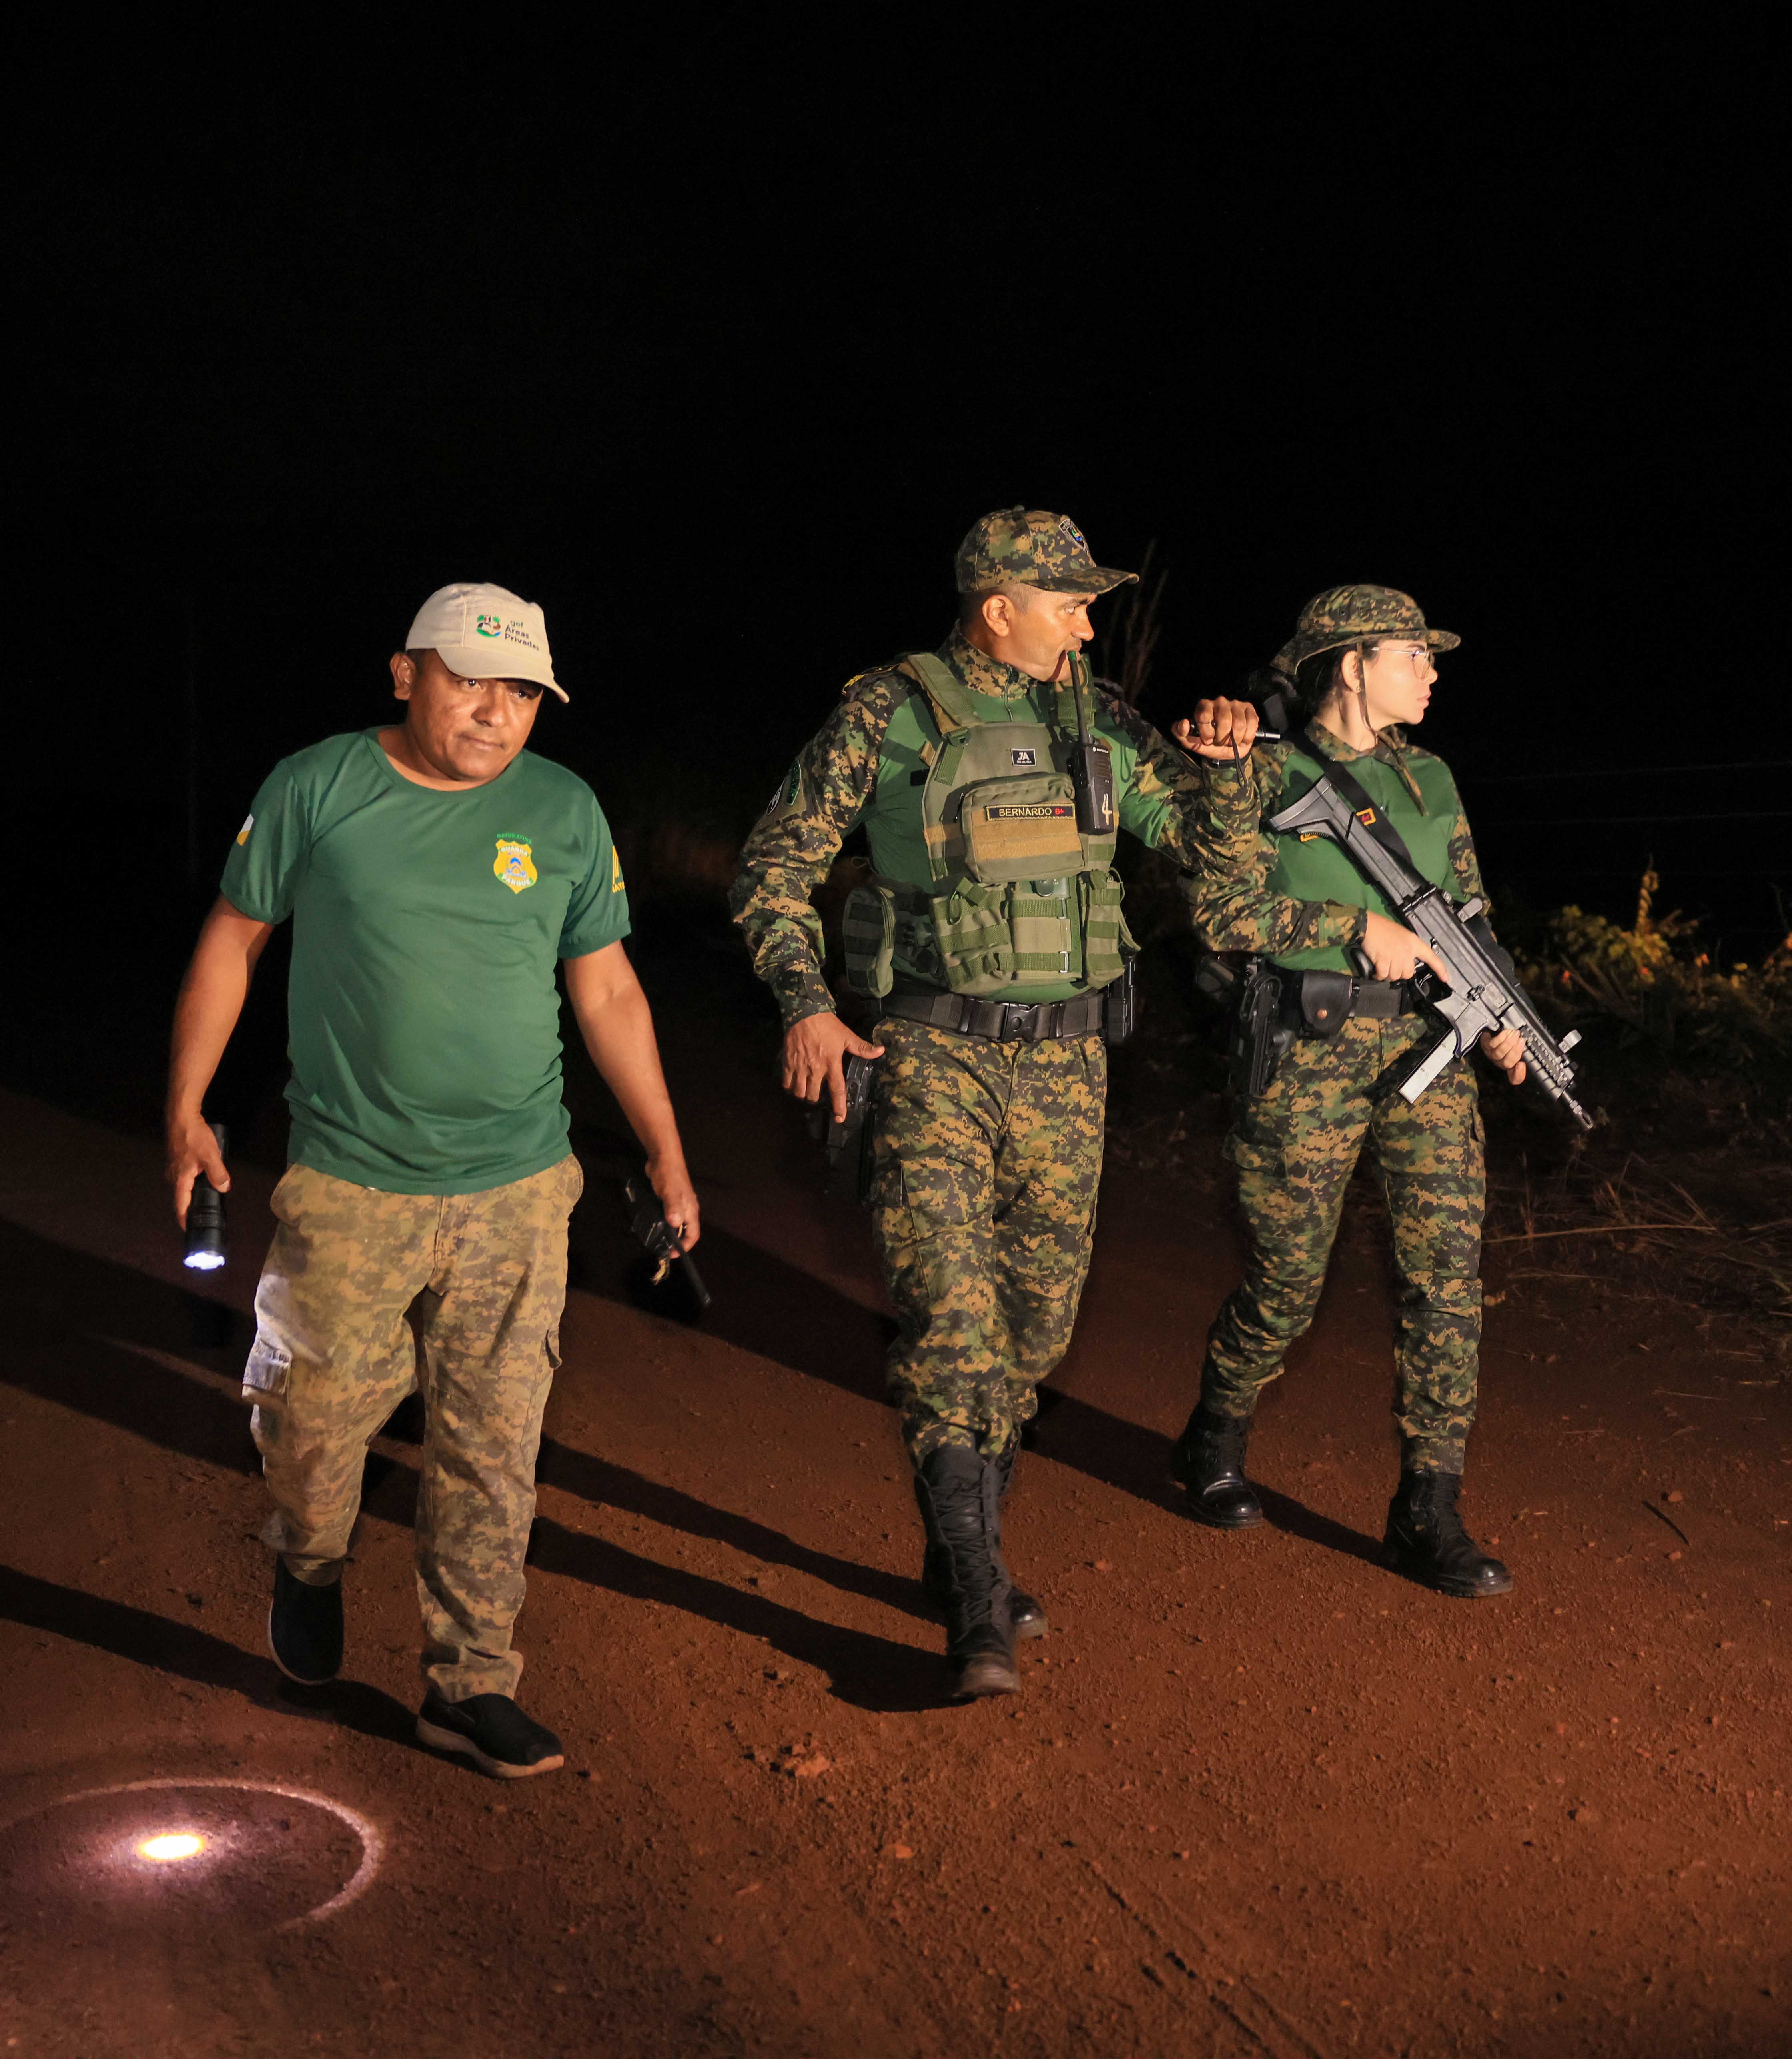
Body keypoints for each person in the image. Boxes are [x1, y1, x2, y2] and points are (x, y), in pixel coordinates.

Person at [165, 582, 699, 1779]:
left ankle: (469, 1684)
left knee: (492, 1449)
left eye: (523, 693)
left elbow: (607, 988)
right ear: (407, 674)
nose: (496, 713)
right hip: (352, 1185)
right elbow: (233, 941)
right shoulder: (317, 787)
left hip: (518, 1189)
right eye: (471, 682)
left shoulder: (564, 809)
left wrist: (665, 1148)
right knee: (312, 1426)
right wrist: (187, 1107)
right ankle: (309, 1557)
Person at [730, 508, 1258, 1700]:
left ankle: (953, 1536)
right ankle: (976, 1591)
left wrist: (1226, 774)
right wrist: (806, 1004)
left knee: (1032, 1334)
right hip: (931, 1054)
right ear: (996, 606)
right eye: (1070, 603)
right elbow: (772, 869)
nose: (1088, 624)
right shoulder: (889, 711)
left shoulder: (1099, 719)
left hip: (1071, 1070)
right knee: (954, 1324)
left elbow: (1210, 859)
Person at [1169, 584, 1529, 1599]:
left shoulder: (1431, 776)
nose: (1432, 672)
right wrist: (1353, 929)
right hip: (1307, 1051)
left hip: (1427, 1050)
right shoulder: (1261, 767)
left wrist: (1503, 1014)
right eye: (1414, 654)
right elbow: (1225, 909)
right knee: (1287, 1280)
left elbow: (1468, 912)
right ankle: (1213, 1434)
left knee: (1445, 1280)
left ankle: (1428, 1508)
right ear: (1352, 662)